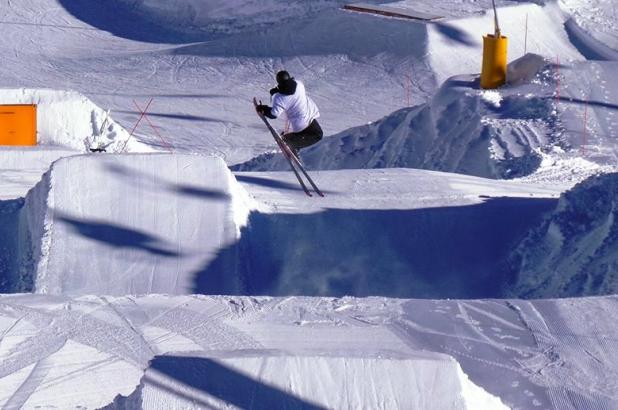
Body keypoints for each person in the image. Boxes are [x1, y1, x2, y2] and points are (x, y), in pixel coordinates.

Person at [256, 71, 323, 157]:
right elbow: (289, 89)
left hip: (299, 124)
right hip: (309, 116)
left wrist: (263, 109)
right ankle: (292, 143)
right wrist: (276, 91)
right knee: (317, 134)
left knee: (315, 135)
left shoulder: (279, 98)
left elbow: (274, 114)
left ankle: (289, 142)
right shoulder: (299, 85)